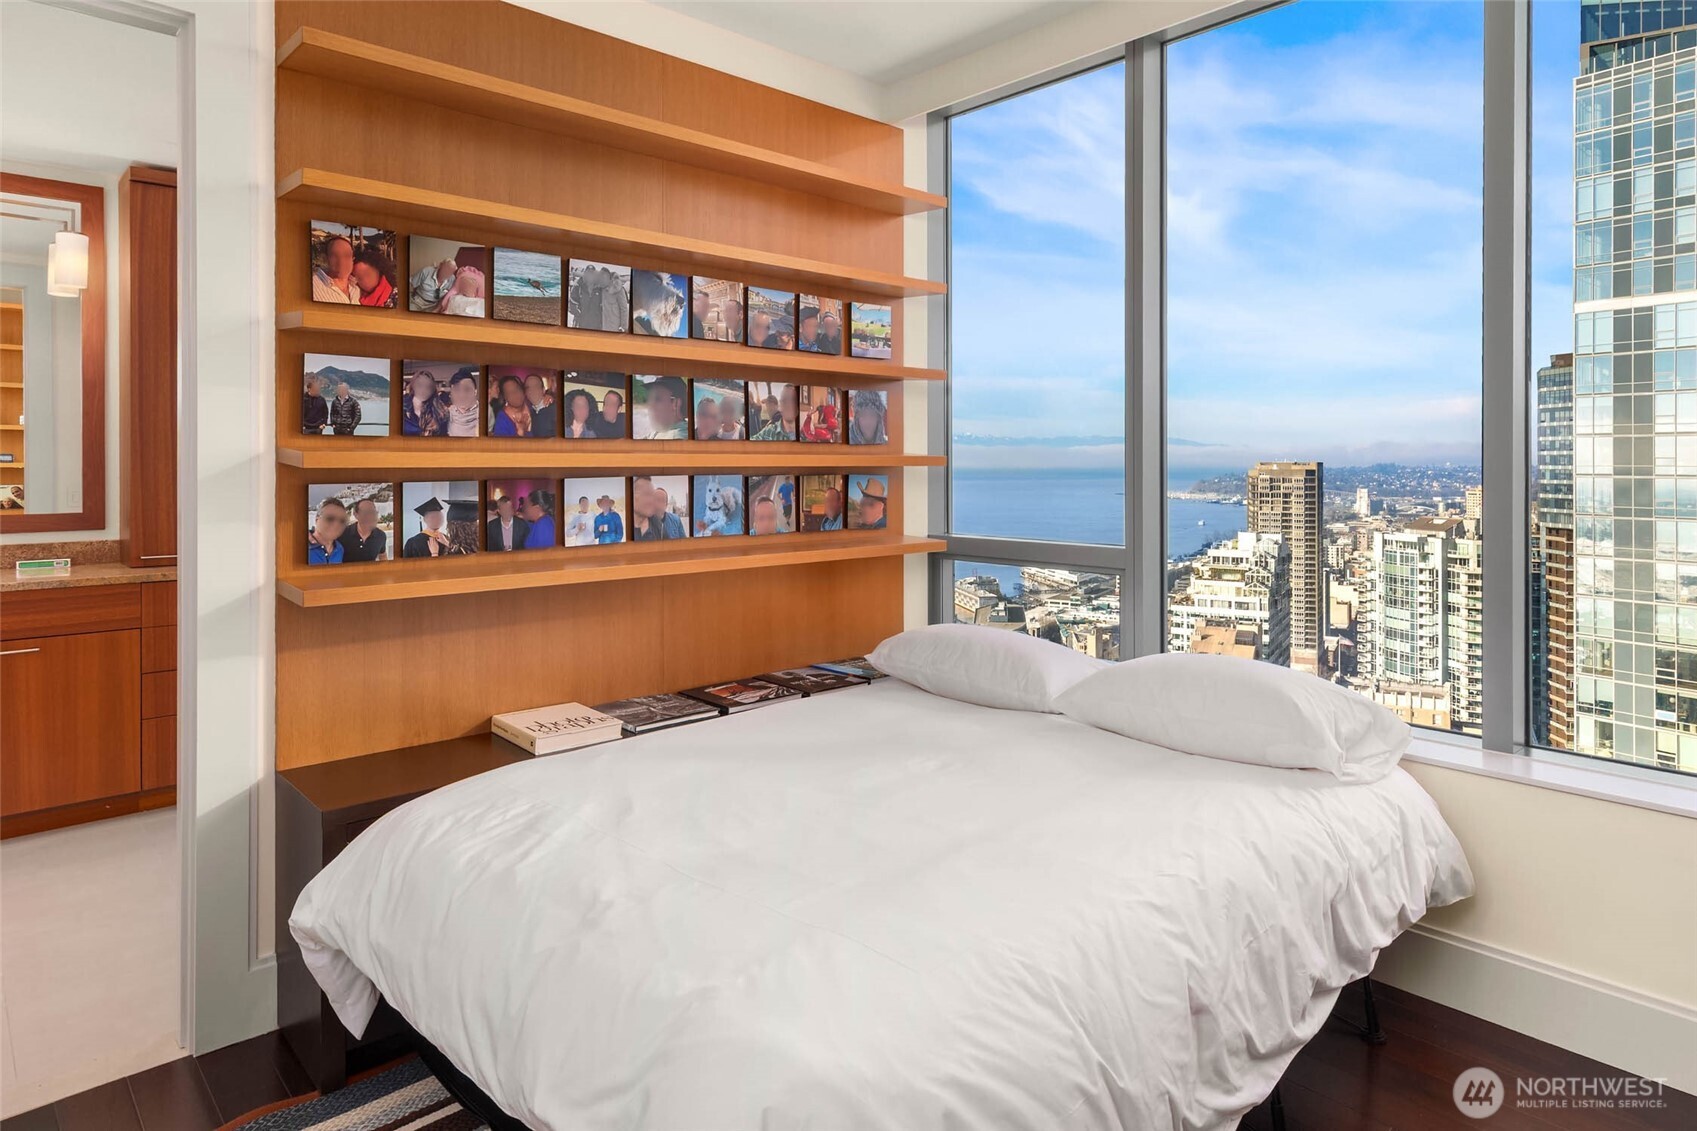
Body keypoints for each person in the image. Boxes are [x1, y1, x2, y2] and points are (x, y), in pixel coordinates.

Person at [311, 233, 359, 303]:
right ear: (326, 259)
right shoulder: (313, 287)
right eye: (335, 256)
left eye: (346, 256)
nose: (341, 261)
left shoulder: (356, 289)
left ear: (352, 260)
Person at [338, 497, 388, 561]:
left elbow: (383, 556)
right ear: (356, 515)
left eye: (373, 512)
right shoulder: (342, 534)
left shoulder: (381, 536)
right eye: (366, 512)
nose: (371, 516)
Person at [403, 369, 449, 436]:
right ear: (413, 386)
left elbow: (443, 435)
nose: (424, 390)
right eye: (420, 385)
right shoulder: (402, 406)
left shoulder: (439, 411)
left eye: (428, 387)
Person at [309, 497, 348, 563]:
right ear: (317, 519)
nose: (336, 524)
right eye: (330, 518)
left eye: (342, 521)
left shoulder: (339, 549)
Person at [446, 371, 480, 437]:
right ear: (451, 393)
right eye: (457, 390)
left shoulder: (485, 413)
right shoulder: (447, 413)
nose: (462, 395)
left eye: (467, 389)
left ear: (475, 392)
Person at [525, 373, 557, 438]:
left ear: (543, 390)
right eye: (528, 387)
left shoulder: (555, 411)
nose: (531, 390)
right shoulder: (528, 413)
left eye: (535, 387)